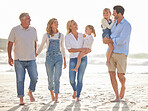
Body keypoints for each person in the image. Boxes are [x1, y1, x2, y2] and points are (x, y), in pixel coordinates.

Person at [7, 13, 38, 105]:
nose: (30, 20)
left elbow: (35, 42)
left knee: (34, 77)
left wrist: (34, 53)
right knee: (20, 80)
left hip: (31, 59)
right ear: (22, 20)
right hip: (19, 59)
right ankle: (21, 98)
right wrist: (9, 57)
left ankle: (30, 91)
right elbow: (10, 43)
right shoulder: (15, 30)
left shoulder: (33, 30)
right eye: (28, 18)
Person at [103, 5, 132, 102]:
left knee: (120, 75)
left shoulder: (127, 25)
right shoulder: (113, 23)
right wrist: (105, 39)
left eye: (114, 12)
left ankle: (123, 86)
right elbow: (109, 33)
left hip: (121, 52)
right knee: (111, 74)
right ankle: (117, 96)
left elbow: (122, 40)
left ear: (119, 13)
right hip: (111, 52)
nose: (113, 14)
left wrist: (109, 40)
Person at [36, 18, 66, 103]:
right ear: (51, 24)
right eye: (55, 23)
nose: (57, 24)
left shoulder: (61, 35)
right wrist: (35, 54)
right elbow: (41, 46)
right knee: (50, 78)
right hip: (49, 58)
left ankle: (56, 97)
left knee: (57, 78)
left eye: (57, 22)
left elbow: (63, 48)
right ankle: (52, 94)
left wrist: (64, 60)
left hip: (59, 58)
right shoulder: (46, 35)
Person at [65, 20, 91, 102]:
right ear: (70, 27)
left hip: (83, 58)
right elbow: (69, 49)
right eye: (74, 24)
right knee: (72, 79)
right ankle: (75, 90)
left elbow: (88, 44)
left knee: (80, 79)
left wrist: (87, 50)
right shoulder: (67, 37)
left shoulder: (82, 35)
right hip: (73, 59)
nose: (76, 25)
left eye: (76, 23)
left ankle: (78, 96)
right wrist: (81, 49)